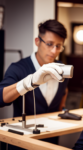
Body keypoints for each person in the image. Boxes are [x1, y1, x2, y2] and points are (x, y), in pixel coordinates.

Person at [0, 19, 68, 150]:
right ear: (37, 41)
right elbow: (0, 97)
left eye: (58, 46)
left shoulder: (62, 69)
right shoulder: (18, 68)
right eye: (49, 44)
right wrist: (29, 81)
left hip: (51, 143)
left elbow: (64, 92)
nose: (54, 51)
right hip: (22, 143)